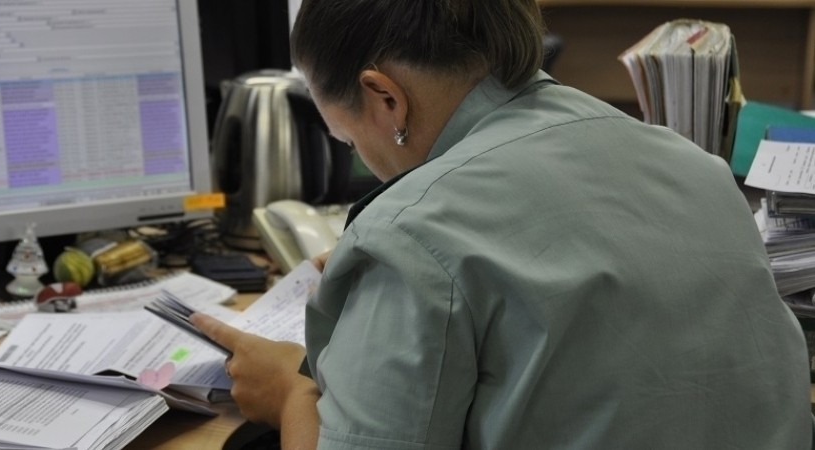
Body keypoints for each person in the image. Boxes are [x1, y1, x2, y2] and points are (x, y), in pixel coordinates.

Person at [192, 0, 814, 448]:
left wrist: (291, 393)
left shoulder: (412, 233)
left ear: (386, 98)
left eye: (347, 139)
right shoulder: (697, 168)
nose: (360, 156)